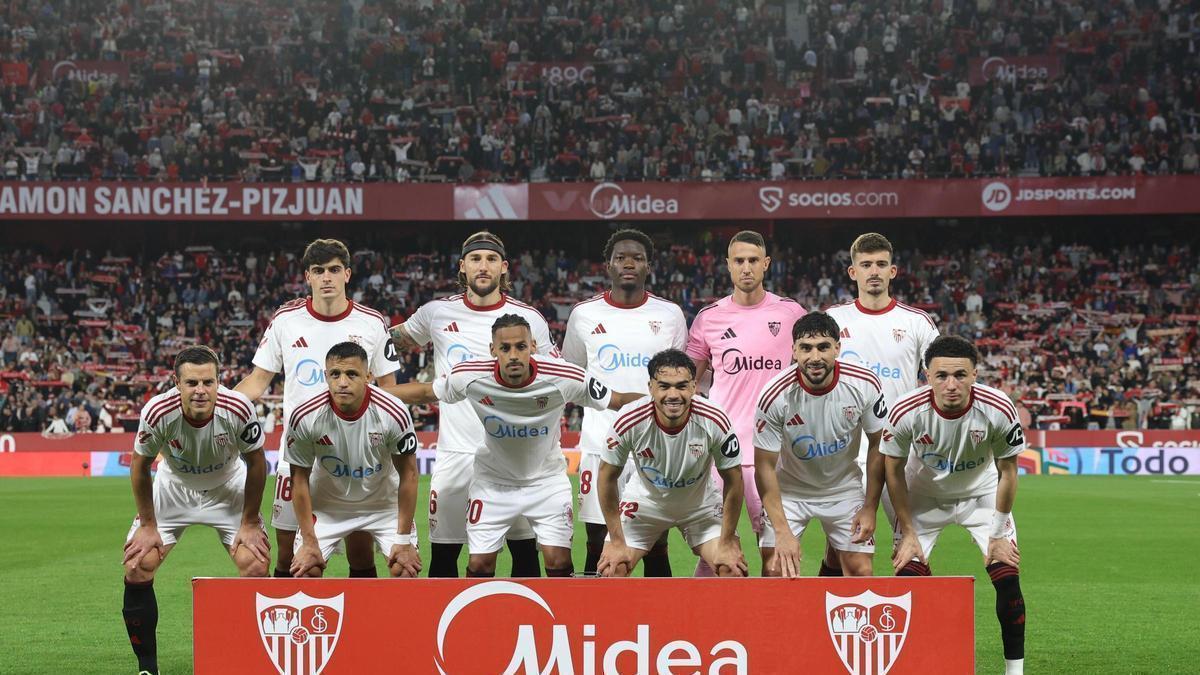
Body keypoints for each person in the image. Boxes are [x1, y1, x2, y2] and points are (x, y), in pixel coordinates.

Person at [401, 314, 642, 578]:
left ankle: (560, 606)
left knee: (558, 560)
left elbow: (618, 400)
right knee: (480, 564)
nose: (513, 355)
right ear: (492, 350)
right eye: (505, 348)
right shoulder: (469, 375)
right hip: (493, 482)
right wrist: (373, 393)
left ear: (533, 347)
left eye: (521, 346)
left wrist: (661, 401)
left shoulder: (564, 376)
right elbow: (426, 392)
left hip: (547, 482)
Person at [388, 231, 555, 577]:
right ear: (462, 266)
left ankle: (521, 614)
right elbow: (389, 342)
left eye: (491, 259)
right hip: (456, 454)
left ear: (504, 267)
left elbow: (553, 380)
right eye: (476, 259)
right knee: (444, 555)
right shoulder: (436, 313)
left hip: (515, 458)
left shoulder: (529, 319)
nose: (483, 266)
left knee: (525, 554)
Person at [236, 238, 400, 579]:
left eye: (334, 270)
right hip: (299, 453)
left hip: (358, 454)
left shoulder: (371, 322)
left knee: (360, 553)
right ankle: (289, 613)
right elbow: (257, 381)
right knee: (289, 555)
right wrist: (217, 410)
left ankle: (360, 617)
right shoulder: (286, 320)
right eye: (318, 270)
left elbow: (389, 391)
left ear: (347, 274)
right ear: (307, 277)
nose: (327, 277)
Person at [883, 336, 1027, 675]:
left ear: (975, 374)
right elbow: (893, 472)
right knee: (908, 580)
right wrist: (907, 532)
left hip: (982, 495)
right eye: (942, 375)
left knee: (1007, 577)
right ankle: (924, 664)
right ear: (927, 376)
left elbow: (1008, 472)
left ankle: (1015, 671)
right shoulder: (905, 410)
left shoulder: (998, 407)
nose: (951, 385)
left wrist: (998, 533)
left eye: (960, 375)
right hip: (923, 497)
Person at [122, 346, 268, 675]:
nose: (201, 390)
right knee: (138, 565)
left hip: (228, 488)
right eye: (191, 383)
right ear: (177, 383)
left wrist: (249, 522)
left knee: (256, 565)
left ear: (219, 382)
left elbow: (258, 462)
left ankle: (257, 661)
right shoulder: (158, 411)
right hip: (173, 489)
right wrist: (148, 525)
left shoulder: (238, 408)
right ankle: (147, 668)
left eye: (208, 382)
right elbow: (139, 465)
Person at [561, 228, 687, 576]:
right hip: (600, 444)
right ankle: (593, 609)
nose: (628, 263)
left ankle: (656, 611)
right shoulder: (584, 314)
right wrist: (610, 401)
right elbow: (572, 376)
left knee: (655, 541)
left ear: (649, 266)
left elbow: (681, 378)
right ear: (608, 265)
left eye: (637, 258)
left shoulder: (670, 314)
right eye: (621, 258)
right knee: (596, 540)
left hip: (656, 445)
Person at [685, 230, 806, 572]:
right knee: (716, 554)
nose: (746, 268)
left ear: (766, 264)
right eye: (739, 261)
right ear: (728, 265)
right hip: (721, 452)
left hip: (774, 453)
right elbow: (687, 383)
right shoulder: (710, 318)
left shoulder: (791, 313)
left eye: (753, 260)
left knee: (775, 561)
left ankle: (774, 611)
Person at [822, 232, 938, 577]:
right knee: (842, 550)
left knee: (911, 546)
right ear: (852, 271)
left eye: (881, 264)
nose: (874, 271)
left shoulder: (916, 322)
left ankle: (917, 611)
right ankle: (822, 612)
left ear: (893, 271)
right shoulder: (834, 320)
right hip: (846, 451)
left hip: (901, 451)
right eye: (866, 264)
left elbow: (940, 374)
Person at [753, 312, 888, 577]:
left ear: (837, 348)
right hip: (790, 491)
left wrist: (870, 507)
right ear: (794, 351)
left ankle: (830, 566)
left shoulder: (864, 383)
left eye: (823, 347)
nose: (815, 357)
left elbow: (878, 444)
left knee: (860, 571)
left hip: (843, 489)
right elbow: (764, 466)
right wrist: (782, 530)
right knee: (775, 568)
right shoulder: (774, 395)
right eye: (806, 348)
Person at [596, 349, 746, 577]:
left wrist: (726, 541)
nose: (673, 394)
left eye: (681, 386)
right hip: (646, 504)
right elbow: (606, 478)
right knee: (612, 570)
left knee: (732, 570)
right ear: (651, 387)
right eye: (664, 386)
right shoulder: (629, 419)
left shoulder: (715, 418)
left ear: (694, 386)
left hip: (700, 506)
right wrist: (617, 541)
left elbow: (734, 479)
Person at [285, 342, 421, 578]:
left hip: (383, 505)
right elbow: (298, 480)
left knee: (404, 570)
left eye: (352, 374)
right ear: (325, 376)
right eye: (335, 374)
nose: (342, 382)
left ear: (368, 376)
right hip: (328, 507)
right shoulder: (305, 415)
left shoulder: (393, 412)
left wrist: (402, 540)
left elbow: (409, 475)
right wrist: (309, 542)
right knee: (306, 571)